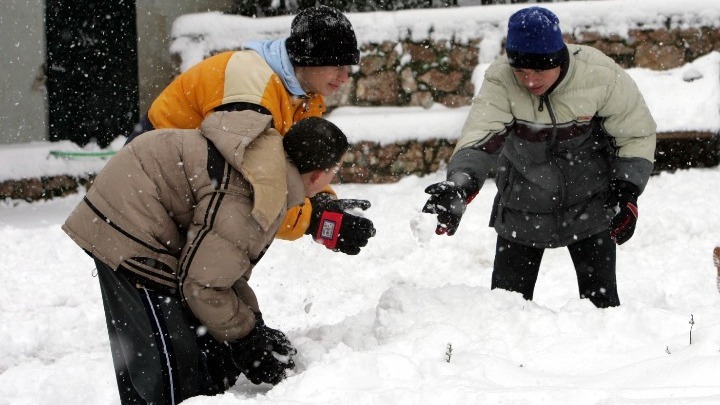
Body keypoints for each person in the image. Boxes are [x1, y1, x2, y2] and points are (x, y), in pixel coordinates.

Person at [62, 112, 356, 404]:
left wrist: (254, 326)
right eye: (335, 169)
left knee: (168, 347)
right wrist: (247, 339)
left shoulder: (266, 169)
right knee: (171, 364)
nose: (335, 177)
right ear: (318, 175)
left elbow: (225, 271)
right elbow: (203, 284)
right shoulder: (256, 193)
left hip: (132, 202)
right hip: (129, 222)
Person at [422, 6, 656, 308]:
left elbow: (634, 133)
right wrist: (459, 185)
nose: (529, 81)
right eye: (521, 71)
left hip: (592, 206)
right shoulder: (501, 80)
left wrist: (627, 191)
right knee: (505, 313)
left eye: (538, 70)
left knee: (603, 314)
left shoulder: (600, 75)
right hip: (522, 207)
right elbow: (480, 138)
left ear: (558, 59)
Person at [127, 5, 375, 256]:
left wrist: (323, 204)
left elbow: (296, 167)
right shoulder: (252, 98)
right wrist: (314, 221)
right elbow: (251, 190)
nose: (345, 77)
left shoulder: (300, 94)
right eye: (338, 65)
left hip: (177, 194)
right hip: (142, 198)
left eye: (349, 67)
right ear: (310, 58)